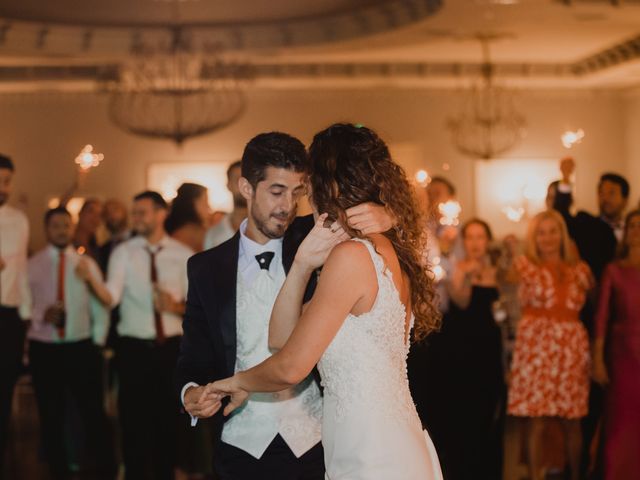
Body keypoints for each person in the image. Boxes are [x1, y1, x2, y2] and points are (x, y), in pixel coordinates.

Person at [204, 124, 443, 479]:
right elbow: (281, 338)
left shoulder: (352, 257)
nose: (305, 197)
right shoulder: (382, 251)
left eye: (309, 184)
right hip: (384, 440)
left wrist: (234, 382)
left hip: (369, 451)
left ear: (328, 184)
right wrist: (301, 265)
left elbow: (289, 367)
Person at [84, 191, 193, 479]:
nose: (135, 218)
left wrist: (174, 306)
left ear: (161, 213)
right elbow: (111, 297)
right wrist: (91, 279)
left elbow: (196, 309)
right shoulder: (124, 252)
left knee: (168, 423)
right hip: (133, 350)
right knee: (133, 424)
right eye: (134, 213)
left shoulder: (183, 255)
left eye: (142, 212)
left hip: (171, 349)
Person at [27, 207, 114, 479]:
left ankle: (105, 469)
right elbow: (23, 305)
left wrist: (97, 342)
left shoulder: (86, 264)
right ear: (46, 229)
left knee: (93, 412)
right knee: (50, 414)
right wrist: (42, 316)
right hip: (45, 348)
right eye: (56, 226)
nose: (62, 230)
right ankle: (58, 471)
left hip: (81, 346)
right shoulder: (33, 265)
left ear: (72, 227)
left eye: (66, 225)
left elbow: (101, 308)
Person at [507, 210, 593, 480]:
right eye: (541, 232)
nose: (547, 238)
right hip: (536, 348)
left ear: (562, 235)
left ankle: (576, 475)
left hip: (571, 348)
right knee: (536, 420)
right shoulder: (522, 265)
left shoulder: (581, 270)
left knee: (573, 419)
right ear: (534, 238)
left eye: (553, 231)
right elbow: (504, 294)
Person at [418, 219, 505, 479]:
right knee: (467, 412)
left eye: (481, 237)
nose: (476, 243)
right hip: (463, 351)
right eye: (470, 237)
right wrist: (467, 273)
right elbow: (461, 300)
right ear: (462, 242)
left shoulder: (499, 269)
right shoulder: (456, 267)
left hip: (492, 346)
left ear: (488, 240)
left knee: (493, 407)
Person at [592, 209, 640, 480]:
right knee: (621, 422)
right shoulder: (614, 269)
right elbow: (601, 317)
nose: (636, 230)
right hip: (622, 354)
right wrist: (598, 359)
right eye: (632, 225)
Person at [0, 154, 30, 475]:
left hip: (8, 319)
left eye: (6, 181)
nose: (2, 188)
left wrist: (25, 318)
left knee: (4, 391)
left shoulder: (18, 220)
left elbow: (20, 271)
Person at [204, 161, 246, 249]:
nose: (244, 186)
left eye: (248, 180)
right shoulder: (213, 234)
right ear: (228, 185)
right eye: (238, 180)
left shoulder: (269, 229)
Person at [165, 183, 210, 253]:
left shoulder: (171, 229)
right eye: (205, 201)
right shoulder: (196, 233)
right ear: (194, 203)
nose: (208, 207)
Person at [98, 198, 131, 273]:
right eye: (107, 213)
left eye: (115, 210)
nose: (112, 215)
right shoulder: (103, 250)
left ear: (125, 212)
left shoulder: (140, 239)